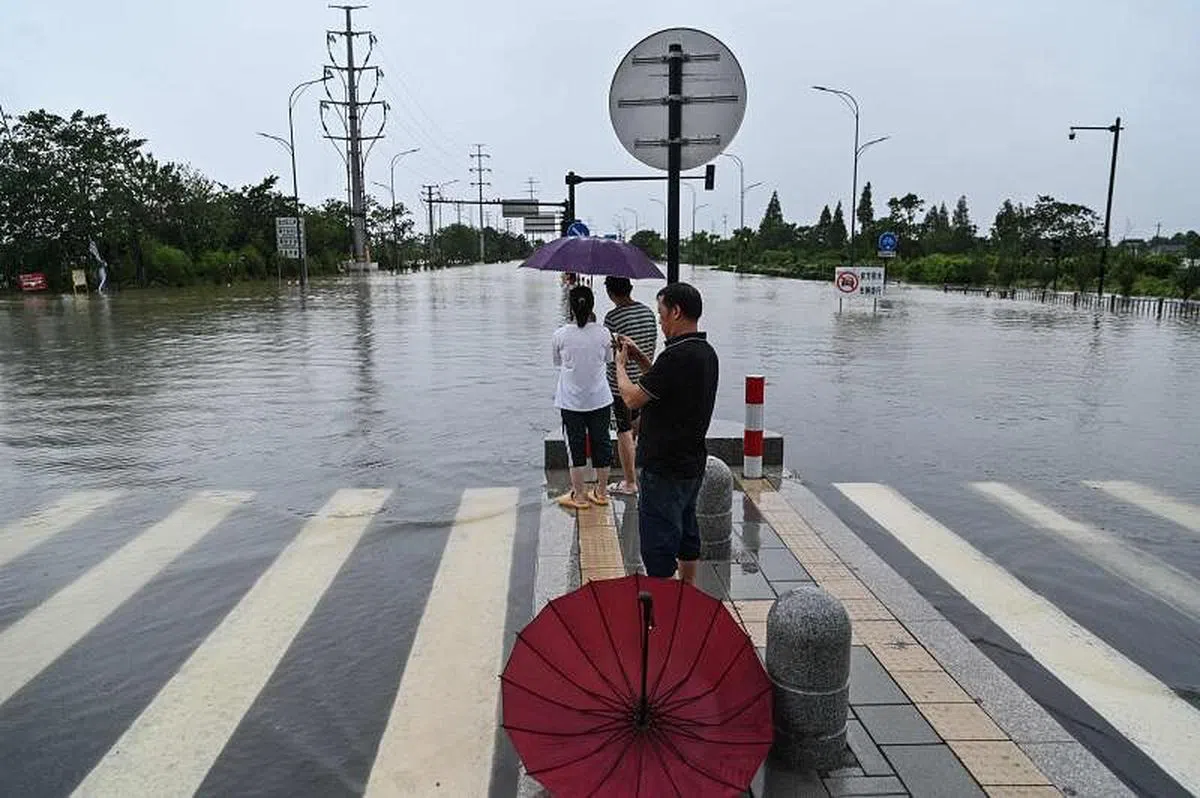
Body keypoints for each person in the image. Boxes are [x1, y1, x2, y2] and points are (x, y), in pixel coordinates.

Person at [615, 282, 718, 584]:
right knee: (687, 535)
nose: (659, 319)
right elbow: (665, 384)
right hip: (692, 462)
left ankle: (663, 608)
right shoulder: (704, 353)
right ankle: (687, 597)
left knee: (658, 549)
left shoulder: (676, 356)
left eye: (661, 312)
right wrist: (641, 359)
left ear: (675, 311)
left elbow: (633, 397)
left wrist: (620, 365)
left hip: (664, 467)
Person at [553, 284, 614, 510]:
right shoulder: (604, 333)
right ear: (592, 307)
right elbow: (609, 359)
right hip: (599, 399)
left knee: (575, 447)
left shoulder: (560, 335)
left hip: (570, 401)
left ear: (570, 307)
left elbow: (557, 362)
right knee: (602, 444)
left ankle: (578, 496)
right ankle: (601, 492)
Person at [602, 276, 658, 496]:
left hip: (621, 385)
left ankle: (630, 482)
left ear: (610, 293)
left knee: (623, 431)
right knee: (638, 426)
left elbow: (609, 355)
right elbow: (652, 342)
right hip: (645, 381)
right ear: (630, 288)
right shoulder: (648, 312)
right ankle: (643, 468)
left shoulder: (612, 318)